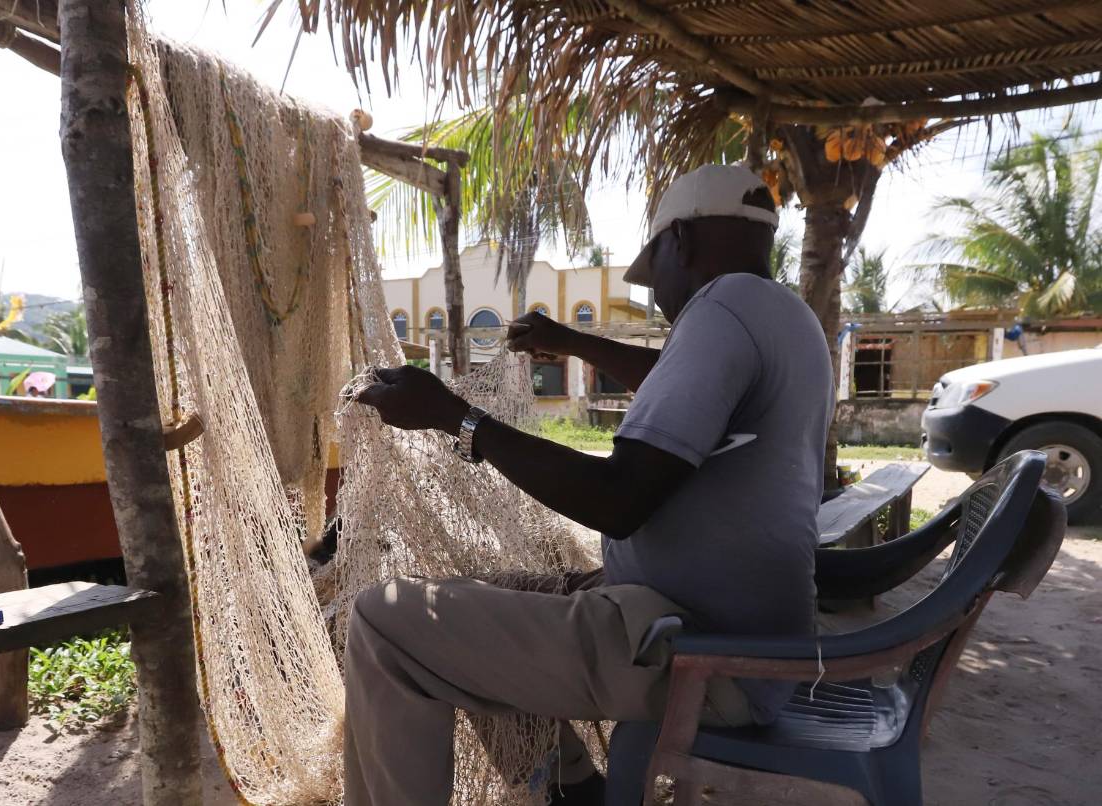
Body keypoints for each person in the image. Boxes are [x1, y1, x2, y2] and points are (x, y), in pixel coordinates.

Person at [348, 164, 835, 805]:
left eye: (652, 265)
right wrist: (568, 341)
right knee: (477, 597)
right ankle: (573, 788)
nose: (655, 288)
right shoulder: (784, 317)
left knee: (384, 622)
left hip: (698, 650)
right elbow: (670, 374)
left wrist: (453, 417)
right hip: (731, 637)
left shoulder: (720, 309)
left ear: (678, 242)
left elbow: (618, 500)